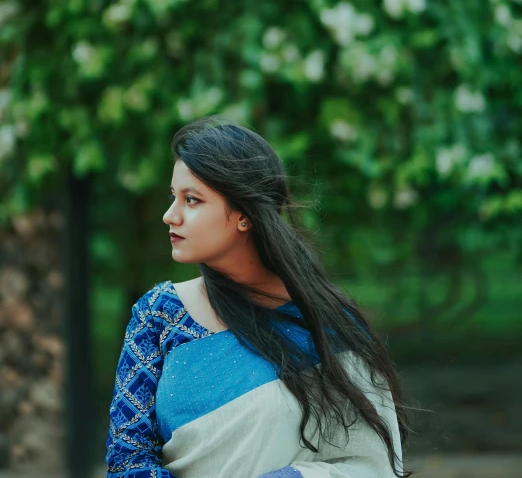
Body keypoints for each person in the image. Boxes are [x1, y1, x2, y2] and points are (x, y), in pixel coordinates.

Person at [105, 115, 414, 478]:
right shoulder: (159, 316)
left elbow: (370, 466)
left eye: (192, 200)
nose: (169, 216)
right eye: (174, 197)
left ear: (243, 215)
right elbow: (127, 459)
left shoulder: (328, 325)